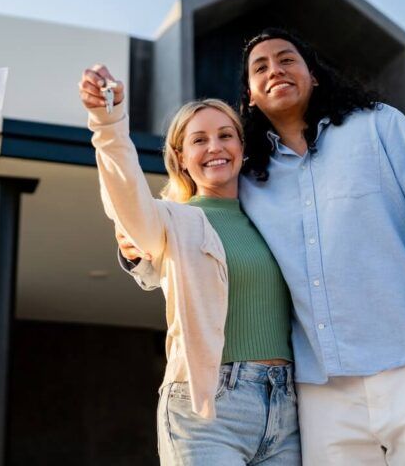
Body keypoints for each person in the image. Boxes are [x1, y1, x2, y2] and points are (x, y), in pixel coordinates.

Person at [120, 28, 405, 465]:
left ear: (312, 75)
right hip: (322, 393)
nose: (275, 69)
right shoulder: (252, 177)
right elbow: (196, 231)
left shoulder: (381, 127)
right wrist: (136, 249)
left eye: (286, 59)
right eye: (260, 67)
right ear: (250, 97)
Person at [79, 64, 301, 466]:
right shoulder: (173, 220)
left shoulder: (273, 219)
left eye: (225, 136)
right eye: (199, 140)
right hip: (207, 410)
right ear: (180, 158)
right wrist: (108, 123)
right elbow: (126, 201)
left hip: (287, 409)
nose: (214, 147)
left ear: (242, 146)